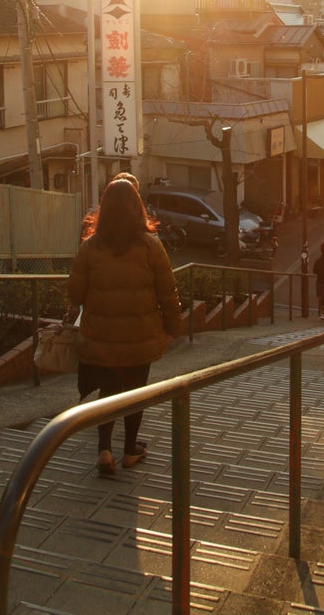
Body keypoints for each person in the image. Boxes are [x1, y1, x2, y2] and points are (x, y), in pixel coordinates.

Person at [68, 178, 182, 476]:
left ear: (104, 210)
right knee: (135, 393)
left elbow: (75, 295)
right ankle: (129, 450)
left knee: (107, 391)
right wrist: (173, 326)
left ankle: (104, 449)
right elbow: (168, 292)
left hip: (100, 337)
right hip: (139, 337)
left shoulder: (90, 248)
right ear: (137, 208)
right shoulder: (150, 246)